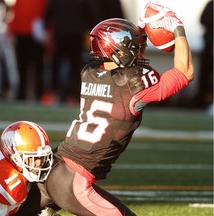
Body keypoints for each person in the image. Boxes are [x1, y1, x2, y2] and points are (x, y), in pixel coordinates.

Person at [15, 2, 194, 216]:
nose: (139, 52)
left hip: (54, 168)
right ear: (119, 52)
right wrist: (177, 27)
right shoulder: (133, 83)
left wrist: (139, 34)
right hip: (74, 181)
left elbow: (119, 71)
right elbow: (185, 71)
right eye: (135, 48)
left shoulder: (89, 71)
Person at [7, 0, 49, 101]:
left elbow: (47, 12)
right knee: (22, 66)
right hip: (22, 33)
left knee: (37, 67)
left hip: (35, 35)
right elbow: (15, 12)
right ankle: (22, 93)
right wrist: (12, 30)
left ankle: (38, 93)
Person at [195, 0, 213, 109]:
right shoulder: (211, 5)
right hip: (208, 45)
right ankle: (201, 102)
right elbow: (202, 20)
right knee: (205, 75)